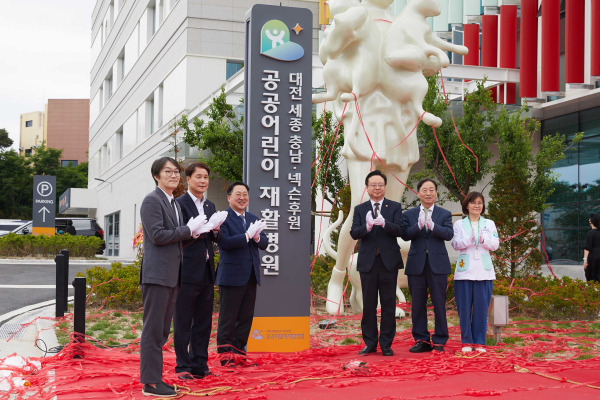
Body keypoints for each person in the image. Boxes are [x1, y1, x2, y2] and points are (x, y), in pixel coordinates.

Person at [138, 157, 212, 398]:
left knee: (161, 332)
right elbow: (158, 235)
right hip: (157, 275)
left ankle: (155, 379)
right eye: (167, 171)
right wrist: (189, 230)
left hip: (172, 275)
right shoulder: (152, 200)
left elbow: (179, 238)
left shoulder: (172, 203)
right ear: (156, 176)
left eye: (175, 172)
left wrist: (197, 232)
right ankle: (150, 383)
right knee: (153, 331)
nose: (173, 175)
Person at [173, 162, 227, 380]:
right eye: (198, 177)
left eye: (206, 177)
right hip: (186, 270)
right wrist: (195, 231)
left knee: (204, 321)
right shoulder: (179, 204)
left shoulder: (210, 205)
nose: (203, 181)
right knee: (183, 320)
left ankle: (200, 364)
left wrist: (215, 230)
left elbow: (214, 238)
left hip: (206, 271)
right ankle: (182, 366)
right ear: (188, 180)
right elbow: (177, 235)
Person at [350, 170, 404, 356]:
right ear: (367, 187)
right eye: (373, 185)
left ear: (385, 186)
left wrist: (384, 223)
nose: (377, 188)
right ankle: (370, 343)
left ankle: (386, 344)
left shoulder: (394, 207)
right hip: (368, 262)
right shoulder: (360, 209)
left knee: (388, 304)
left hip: (388, 262)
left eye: (380, 184)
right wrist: (367, 227)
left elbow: (401, 230)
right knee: (369, 304)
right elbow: (354, 233)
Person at [216, 182, 267, 366]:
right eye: (238, 194)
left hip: (251, 276)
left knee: (245, 319)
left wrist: (257, 236)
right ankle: (225, 358)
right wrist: (246, 236)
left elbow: (265, 243)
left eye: (245, 194)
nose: (242, 198)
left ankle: (239, 355)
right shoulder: (223, 218)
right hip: (231, 276)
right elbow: (225, 243)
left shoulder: (253, 217)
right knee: (228, 320)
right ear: (229, 197)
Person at [401, 179, 453, 353]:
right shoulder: (409, 214)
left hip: (437, 265)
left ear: (436, 193)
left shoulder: (444, 214)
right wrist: (419, 226)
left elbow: (448, 234)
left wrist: (433, 226)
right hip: (416, 264)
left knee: (439, 303)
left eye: (432, 190)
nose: (428, 193)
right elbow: (405, 235)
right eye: (425, 190)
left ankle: (439, 340)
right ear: (418, 193)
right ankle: (421, 339)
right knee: (417, 304)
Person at [451, 192, 499, 353]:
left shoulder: (489, 224)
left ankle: (479, 342)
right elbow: (455, 244)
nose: (477, 206)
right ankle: (467, 341)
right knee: (464, 309)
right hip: (465, 272)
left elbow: (495, 245)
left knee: (481, 309)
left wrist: (483, 240)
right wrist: (469, 240)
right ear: (466, 206)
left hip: (484, 272)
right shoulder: (459, 224)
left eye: (480, 203)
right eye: (473, 203)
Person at [584, 213, 600, 283]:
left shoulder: (590, 233)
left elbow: (587, 247)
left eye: (590, 222)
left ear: (592, 222)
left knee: (591, 275)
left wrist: (585, 260)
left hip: (593, 256)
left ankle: (593, 292)